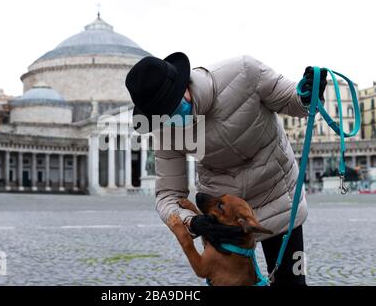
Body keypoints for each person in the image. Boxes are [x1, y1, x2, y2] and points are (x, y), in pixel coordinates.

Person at [125, 52, 327, 286]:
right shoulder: (164, 129)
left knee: (292, 283)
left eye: (174, 107)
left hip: (278, 197)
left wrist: (308, 94)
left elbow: (294, 103)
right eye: (164, 116)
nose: (172, 118)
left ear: (184, 85)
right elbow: (167, 195)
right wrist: (191, 222)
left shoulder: (244, 71)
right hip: (221, 216)